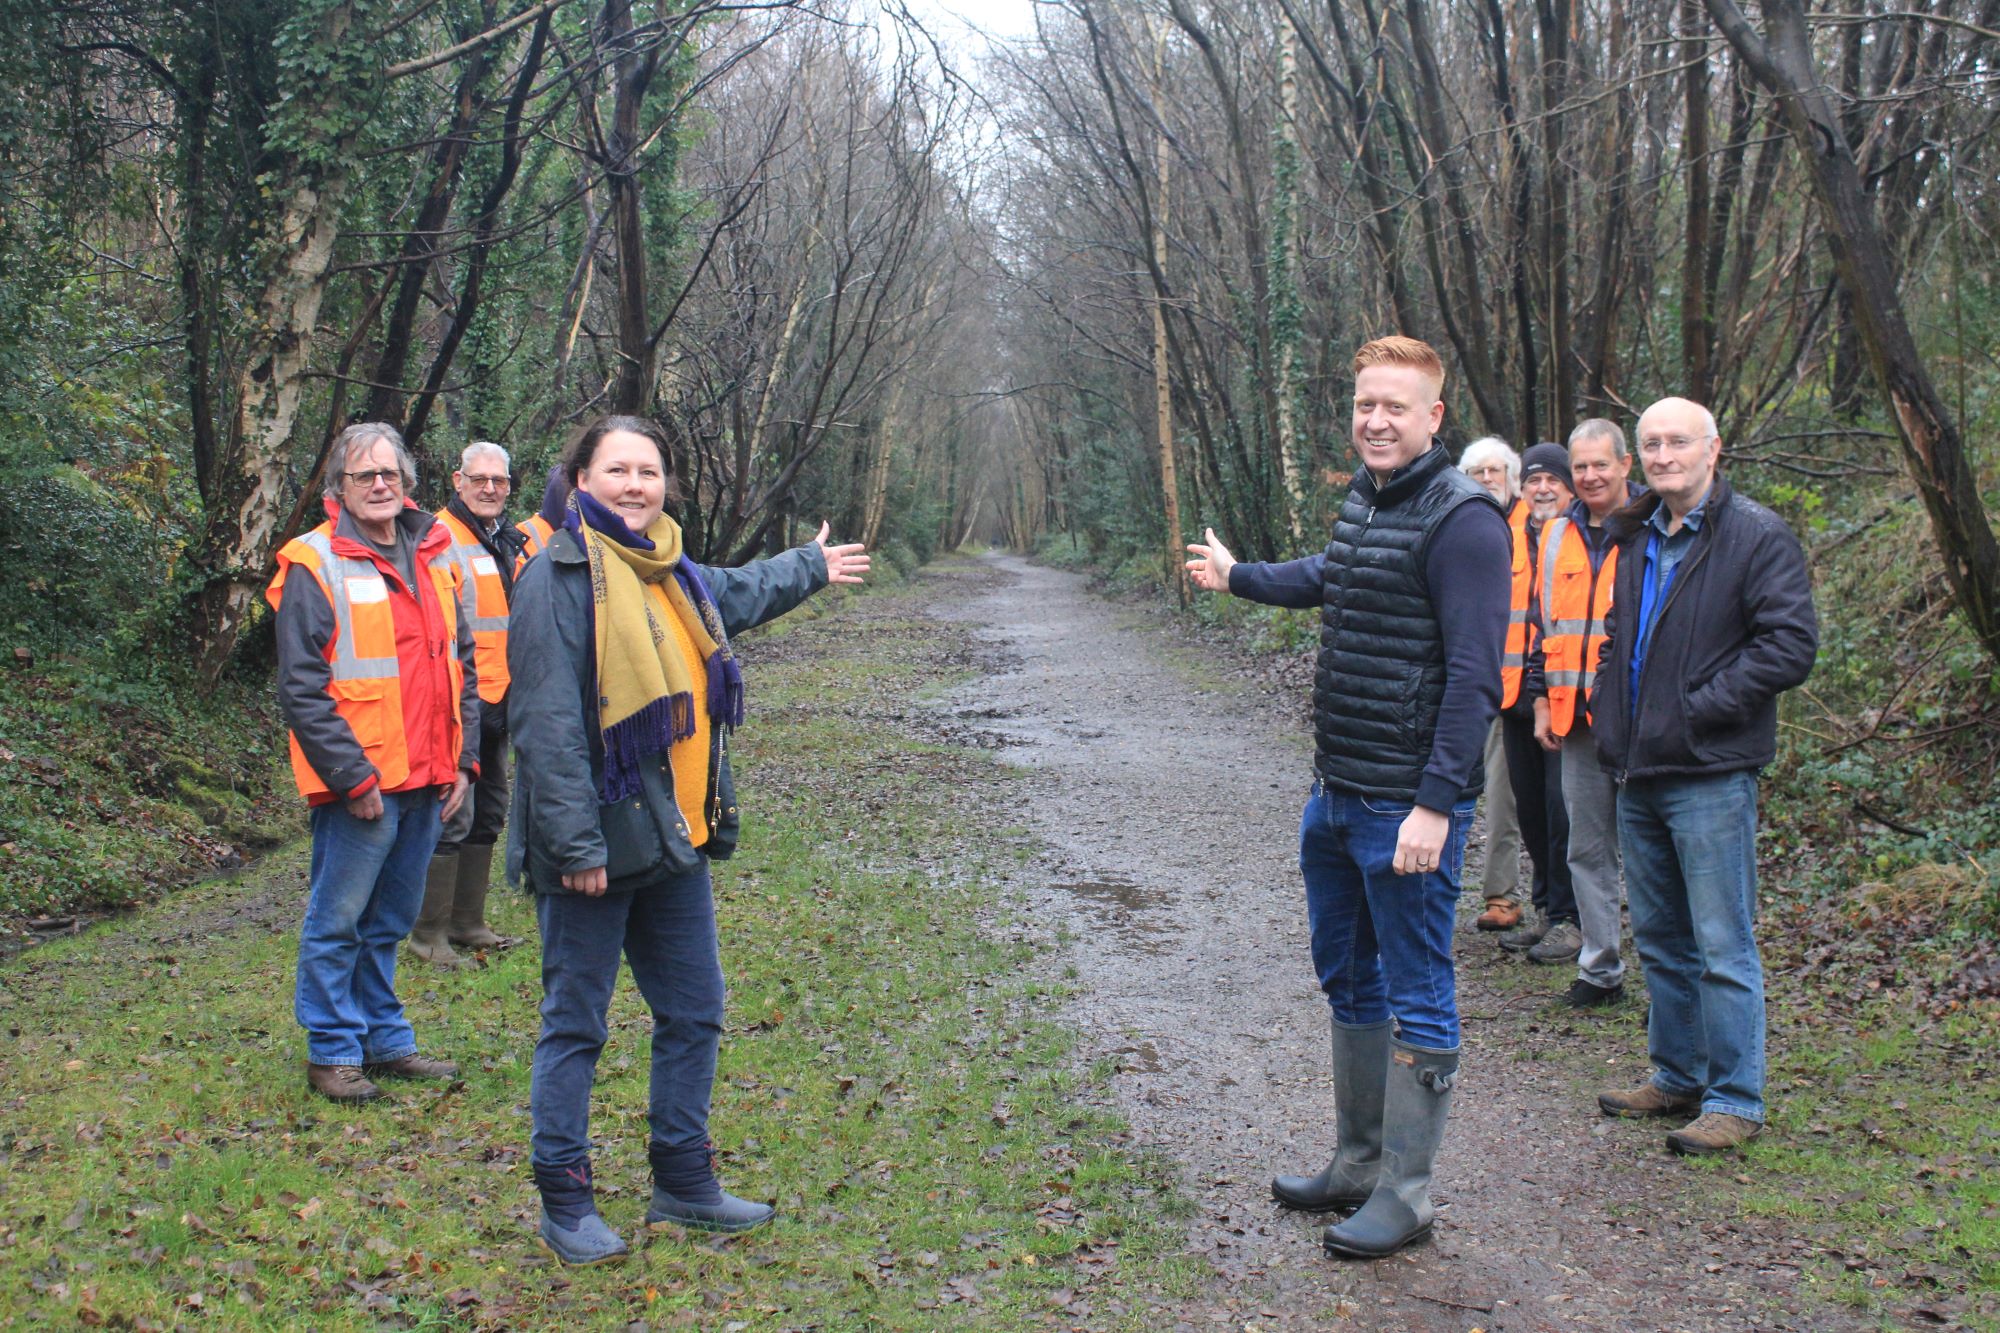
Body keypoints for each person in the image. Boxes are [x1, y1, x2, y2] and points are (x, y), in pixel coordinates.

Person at [506, 414, 869, 1264]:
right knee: (577, 1024)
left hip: (672, 840)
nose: (636, 484)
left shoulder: (673, 569)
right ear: (581, 478)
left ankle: (682, 1179)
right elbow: (546, 726)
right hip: (594, 848)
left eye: (649, 470)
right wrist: (575, 849)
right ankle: (564, 1198)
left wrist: (808, 564)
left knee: (695, 1009)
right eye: (618, 469)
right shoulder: (555, 575)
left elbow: (738, 595)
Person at [1186, 336, 1509, 1260]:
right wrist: (1239, 575)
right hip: (1335, 796)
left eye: (1395, 407)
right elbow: (1331, 579)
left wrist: (1437, 803)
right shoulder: (1367, 501)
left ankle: (1407, 1192)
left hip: (1405, 807)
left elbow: (1476, 678)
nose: (1375, 420)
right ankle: (1357, 1163)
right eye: (1365, 404)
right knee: (1349, 977)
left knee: (1419, 991)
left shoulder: (1466, 521)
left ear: (1434, 416)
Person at [1590, 398, 1816, 1154]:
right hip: (1637, 768)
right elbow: (1620, 637)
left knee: (1723, 943)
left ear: (1712, 449)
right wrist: (1607, 710)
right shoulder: (1634, 534)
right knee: (1660, 936)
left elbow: (1788, 647)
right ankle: (1677, 1074)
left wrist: (1696, 710)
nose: (1662, 454)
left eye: (1676, 441)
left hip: (1711, 770)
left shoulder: (1754, 534)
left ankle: (1735, 1097)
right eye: (1650, 443)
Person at [266, 422, 478, 1103]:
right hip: (363, 784)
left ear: (409, 483)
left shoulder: (437, 554)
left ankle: (384, 1040)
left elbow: (462, 667)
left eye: (390, 474)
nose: (380, 484)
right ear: (339, 488)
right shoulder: (315, 561)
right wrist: (350, 777)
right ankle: (332, 1050)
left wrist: (463, 763)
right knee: (337, 921)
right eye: (365, 475)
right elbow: (301, 686)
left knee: (387, 922)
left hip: (426, 777)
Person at [1527, 420, 1643, 1007]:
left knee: (1649, 851)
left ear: (1626, 465)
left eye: (1602, 464)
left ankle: (1673, 972)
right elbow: (1540, 627)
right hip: (1575, 722)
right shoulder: (1553, 537)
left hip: (1645, 722)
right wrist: (1542, 700)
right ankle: (1601, 971)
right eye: (1582, 467)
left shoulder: (1653, 529)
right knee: (1587, 848)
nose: (1591, 476)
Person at [1496, 443, 1581, 965]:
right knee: (1530, 811)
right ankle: (1548, 910)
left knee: (1563, 812)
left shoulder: (1578, 538)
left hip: (1563, 697)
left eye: (1553, 479)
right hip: (1512, 697)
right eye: (1534, 480)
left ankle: (1572, 920)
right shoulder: (1506, 536)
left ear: (1569, 487)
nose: (1543, 488)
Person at [1458, 437, 1527, 931]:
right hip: (1461, 684)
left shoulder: (1535, 532)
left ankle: (1502, 896)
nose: (1486, 479)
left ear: (1511, 478)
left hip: (1515, 691)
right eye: (1477, 471)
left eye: (1495, 471)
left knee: (1505, 803)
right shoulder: (1457, 524)